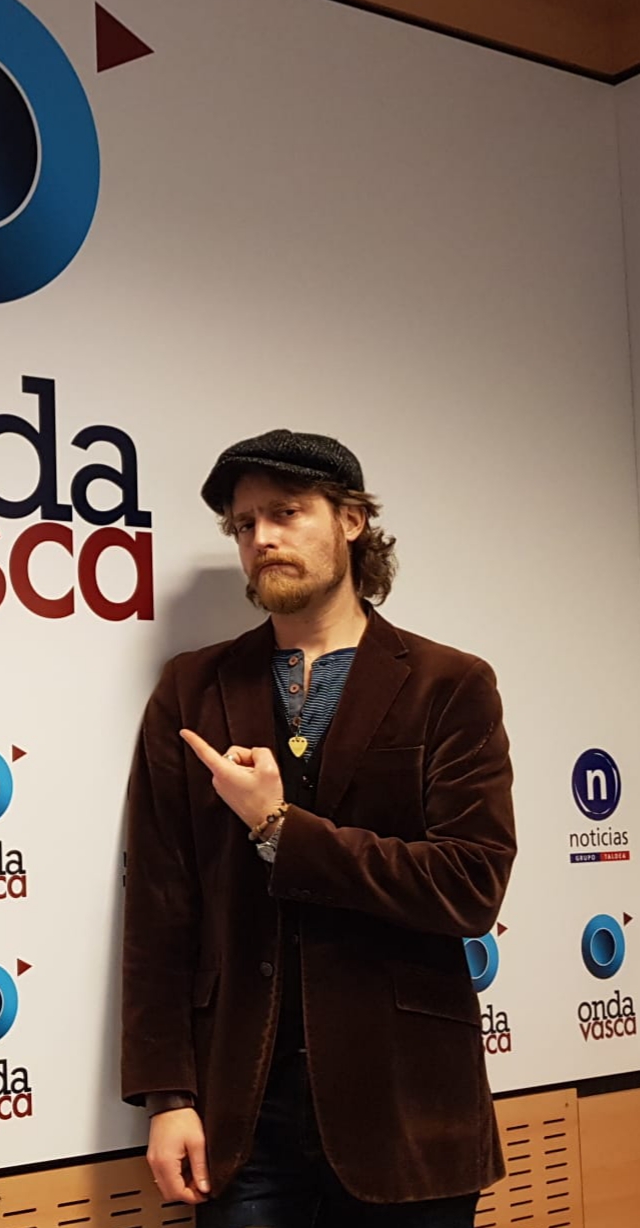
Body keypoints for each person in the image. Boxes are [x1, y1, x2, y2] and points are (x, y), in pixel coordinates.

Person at [120, 429, 516, 1228]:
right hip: (241, 1112)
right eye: (243, 524)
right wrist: (166, 1096)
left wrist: (278, 827)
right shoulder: (190, 689)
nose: (261, 538)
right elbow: (160, 905)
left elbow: (469, 885)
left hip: (407, 1104)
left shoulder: (448, 684)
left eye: (285, 513)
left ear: (351, 520)